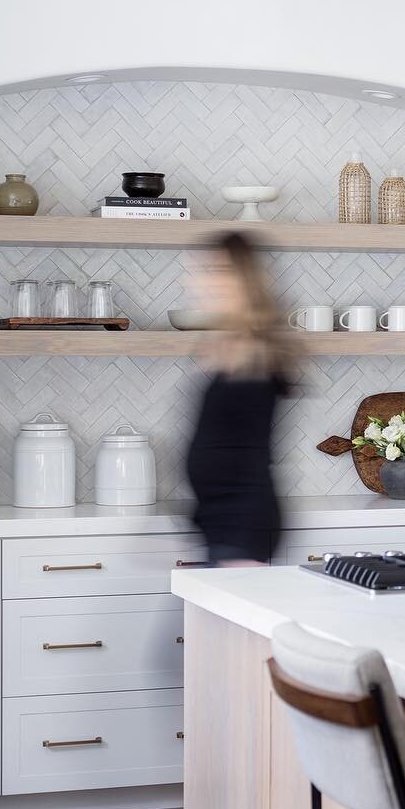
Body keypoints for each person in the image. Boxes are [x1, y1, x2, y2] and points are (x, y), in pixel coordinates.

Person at [185, 232, 290, 566]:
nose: (203, 283)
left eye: (217, 272)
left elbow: (240, 458)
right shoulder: (230, 346)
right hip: (220, 523)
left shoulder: (255, 350)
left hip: (242, 525)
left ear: (243, 280)